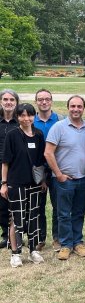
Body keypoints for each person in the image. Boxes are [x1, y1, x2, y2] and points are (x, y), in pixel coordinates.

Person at [45, 95, 85, 261]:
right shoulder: (59, 127)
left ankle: (78, 242)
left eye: (79, 106)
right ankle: (65, 244)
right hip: (64, 180)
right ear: (68, 108)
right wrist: (59, 174)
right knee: (63, 213)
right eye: (73, 106)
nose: (76, 109)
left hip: (83, 178)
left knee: (79, 212)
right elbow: (48, 153)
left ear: (83, 108)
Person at [1, 104, 46, 267]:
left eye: (29, 115)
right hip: (16, 183)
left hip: (34, 184)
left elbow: (41, 161)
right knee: (16, 218)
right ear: (17, 117)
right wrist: (4, 183)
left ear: (34, 116)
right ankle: (15, 253)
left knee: (33, 217)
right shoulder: (12, 135)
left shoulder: (39, 134)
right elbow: (5, 161)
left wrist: (43, 180)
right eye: (22, 115)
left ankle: (33, 250)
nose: (26, 119)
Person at [34, 89, 61, 251]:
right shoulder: (31, 121)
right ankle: (40, 238)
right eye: (40, 99)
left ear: (51, 101)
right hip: (38, 170)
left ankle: (57, 238)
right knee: (39, 206)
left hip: (56, 169)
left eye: (47, 99)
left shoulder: (60, 120)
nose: (44, 102)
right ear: (36, 102)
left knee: (58, 206)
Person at [0, 89, 19, 249]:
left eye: (12, 100)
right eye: (5, 99)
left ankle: (16, 235)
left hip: (15, 168)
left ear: (16, 102)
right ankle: (5, 235)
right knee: (1, 205)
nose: (8, 102)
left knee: (15, 204)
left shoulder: (20, 122)